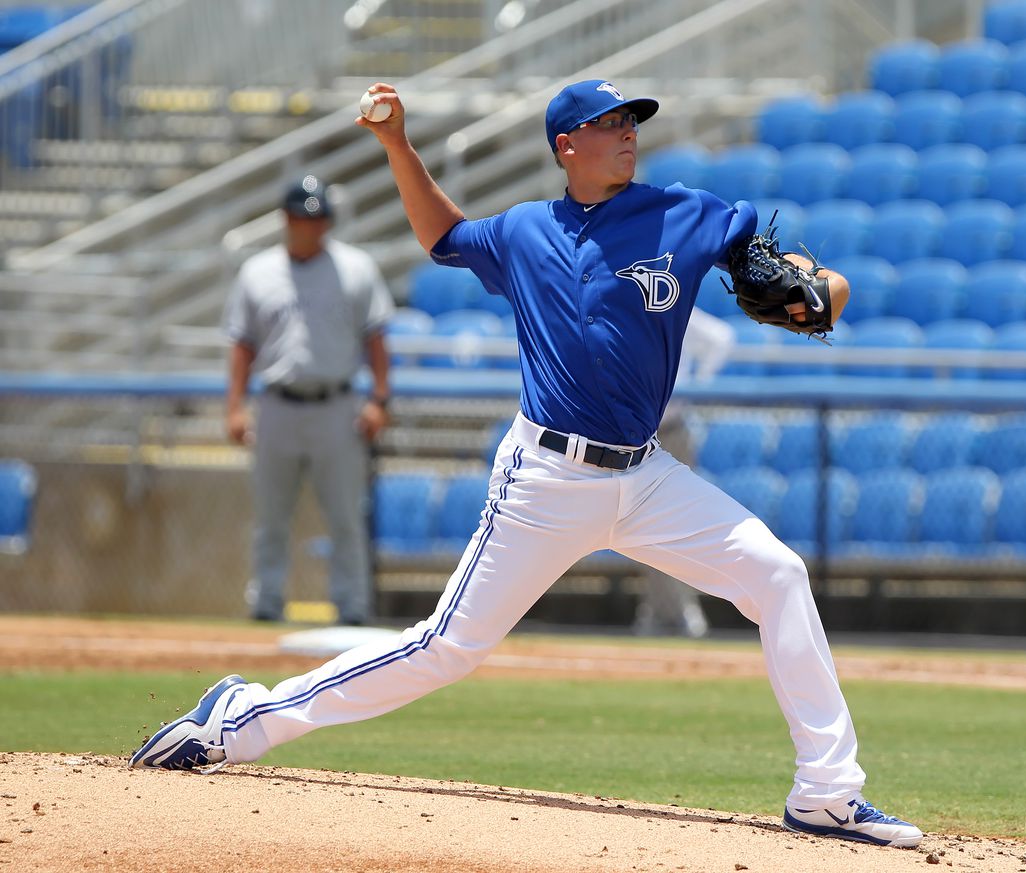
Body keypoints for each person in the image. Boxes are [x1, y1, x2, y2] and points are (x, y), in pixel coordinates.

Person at [132, 80, 922, 850]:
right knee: (445, 648)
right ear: (565, 146)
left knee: (778, 573)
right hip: (546, 479)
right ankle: (240, 719)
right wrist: (398, 144)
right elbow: (443, 237)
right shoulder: (523, 232)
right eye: (610, 123)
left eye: (632, 121)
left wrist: (809, 288)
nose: (628, 133)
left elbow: (781, 265)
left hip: (645, 478)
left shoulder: (684, 212)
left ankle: (825, 792)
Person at [223, 174, 395, 626]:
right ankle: (266, 603)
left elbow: (376, 338)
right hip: (277, 404)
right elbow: (242, 344)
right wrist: (235, 406)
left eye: (319, 219)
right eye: (303, 218)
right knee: (270, 517)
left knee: (345, 516)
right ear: (286, 219)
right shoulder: (257, 272)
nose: (311, 226)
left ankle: (353, 607)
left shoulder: (355, 268)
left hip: (337, 405)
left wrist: (379, 399)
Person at [631, 307, 734, 638]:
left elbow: (722, 338)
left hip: (671, 430)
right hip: (632, 434)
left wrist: (697, 384)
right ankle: (660, 608)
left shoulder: (676, 308)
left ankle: (679, 609)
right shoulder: (623, 309)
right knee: (640, 528)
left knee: (675, 525)